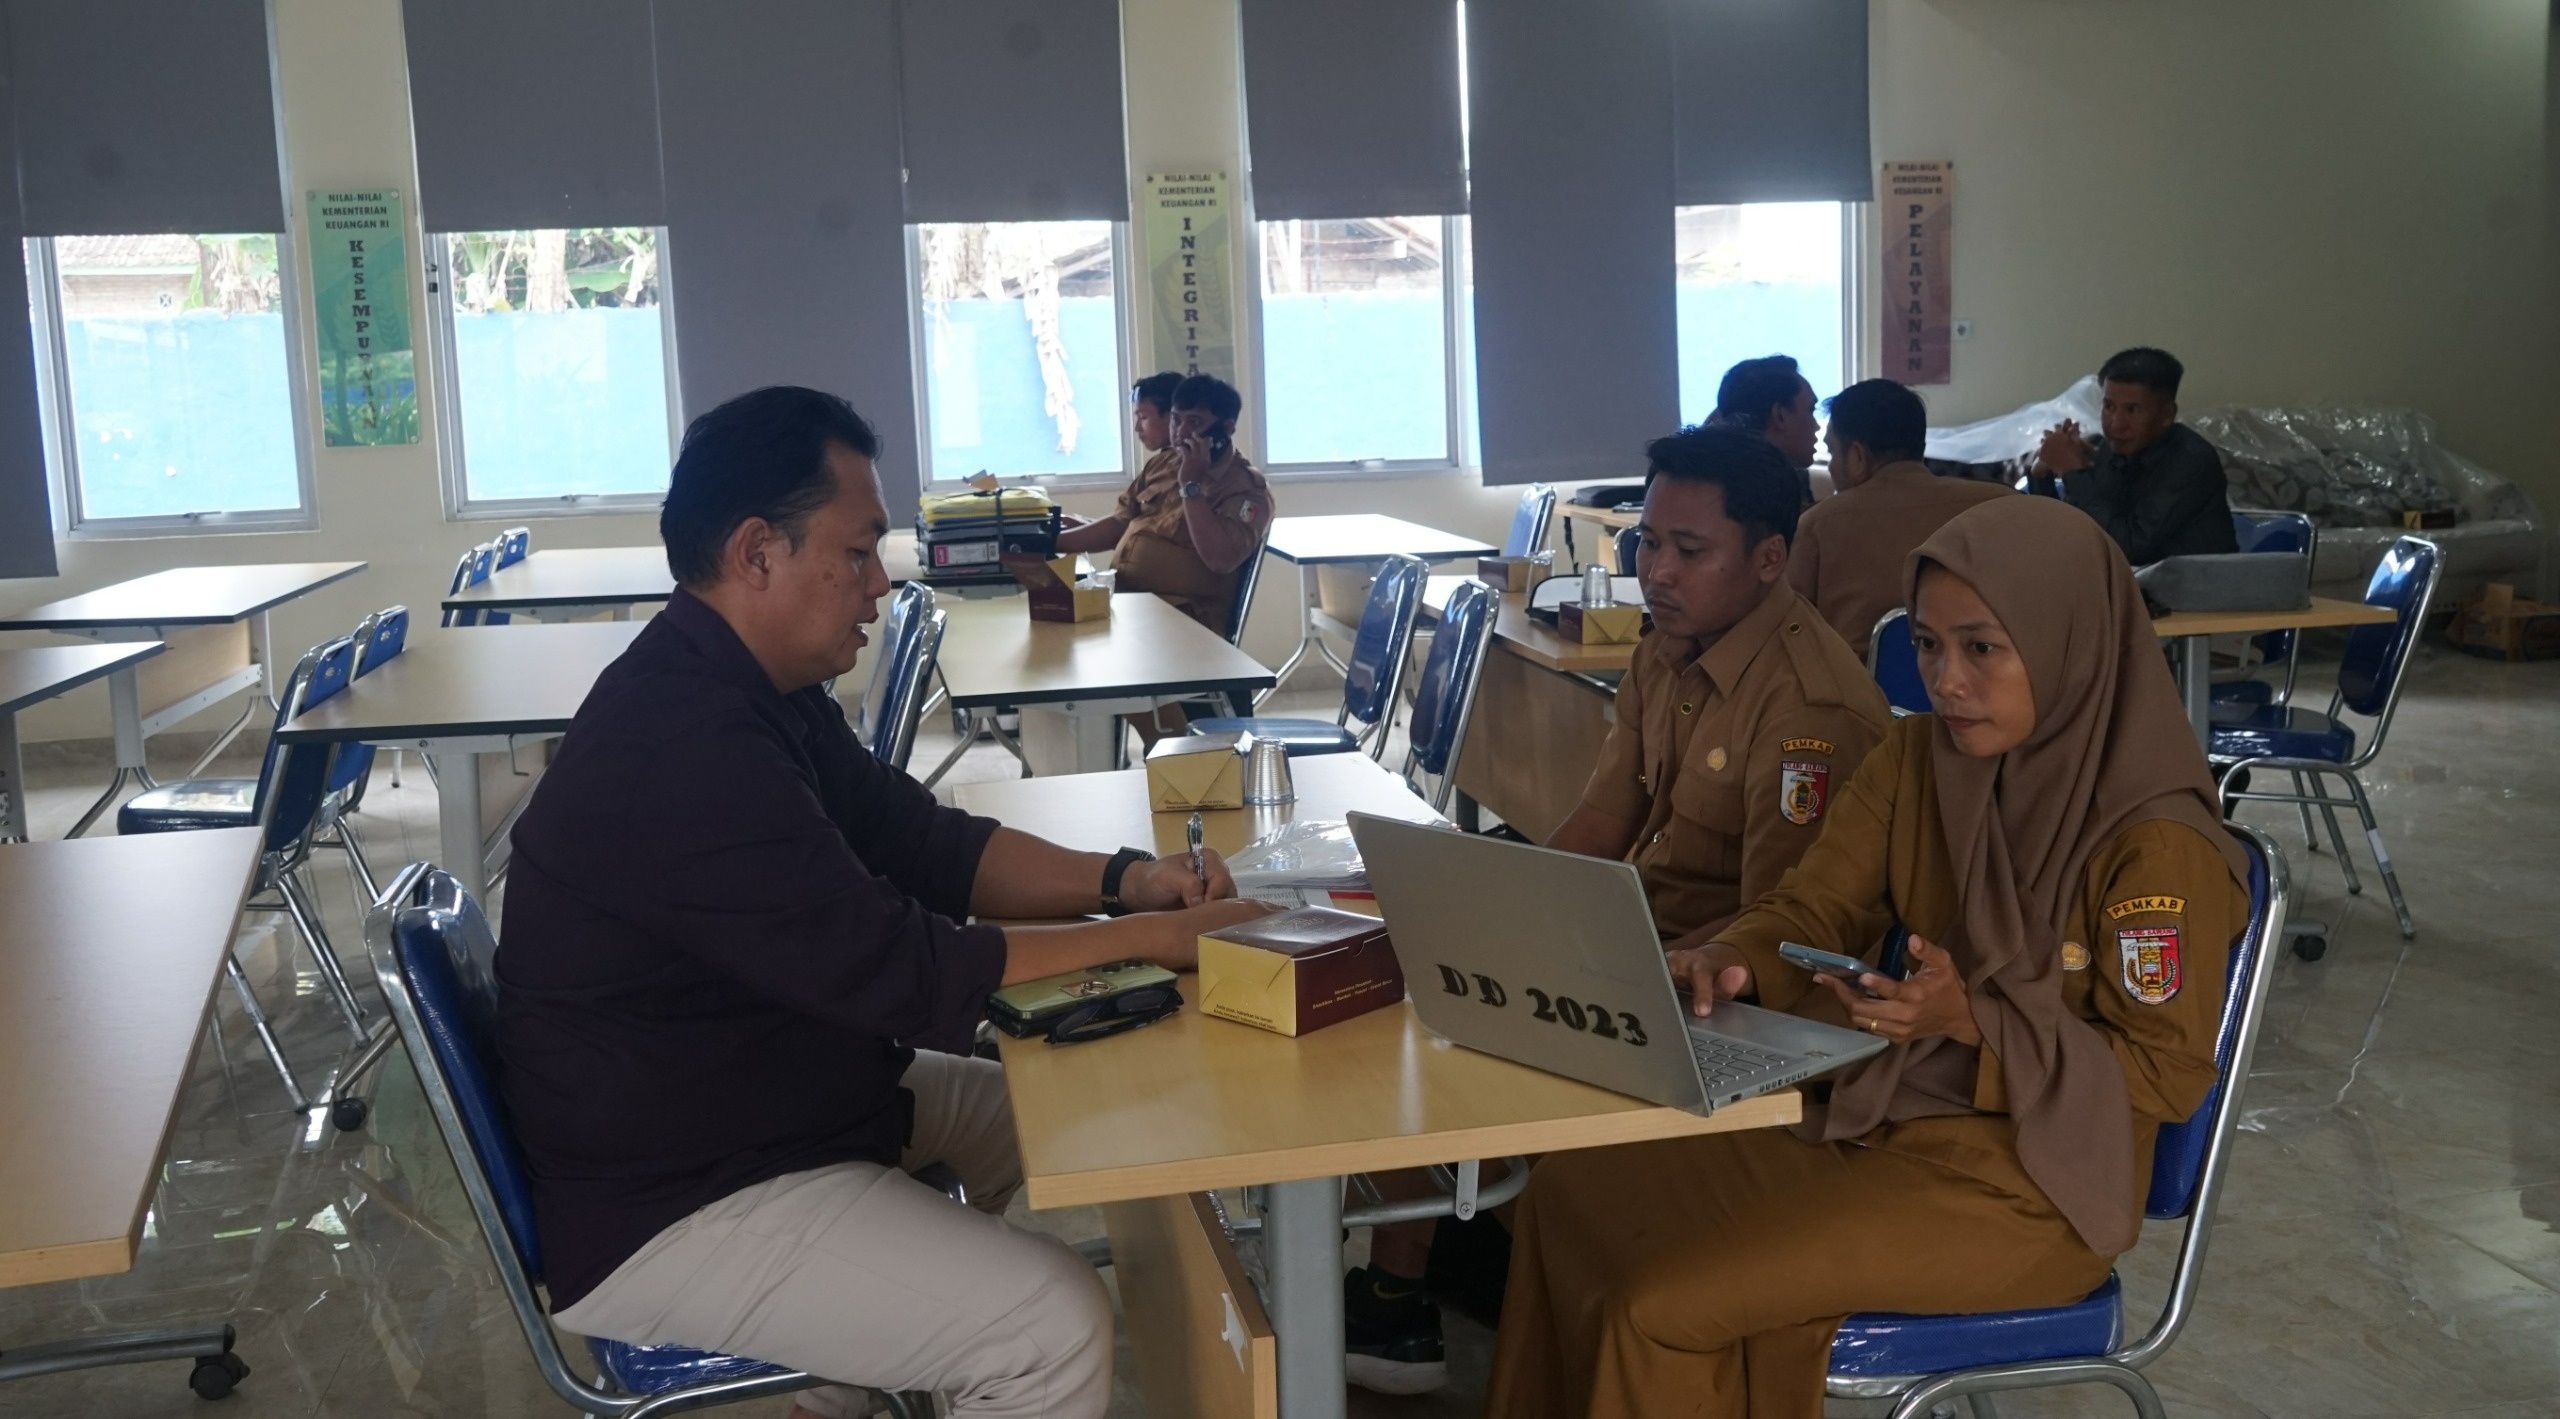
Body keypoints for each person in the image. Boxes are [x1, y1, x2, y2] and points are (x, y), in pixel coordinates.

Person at [498, 386, 1274, 1419]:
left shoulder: (753, 686)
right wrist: (1162, 938)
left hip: (766, 1094)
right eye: (858, 552)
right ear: (757, 552)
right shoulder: (682, 745)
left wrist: (1125, 880)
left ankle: (847, 1382)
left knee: (1065, 1112)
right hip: (674, 1197)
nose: (879, 582)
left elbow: (924, 842)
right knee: (1050, 1327)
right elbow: (909, 971)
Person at [1486, 494, 2251, 1419]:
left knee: (1663, 1300)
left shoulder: (2159, 845)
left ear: (2071, 643)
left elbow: (2166, 1077)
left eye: (1982, 648)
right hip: (1887, 1113)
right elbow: (1814, 903)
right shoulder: (1919, 758)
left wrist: (1977, 1023)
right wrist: (1733, 955)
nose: (1946, 681)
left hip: (2034, 1186)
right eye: (1927, 645)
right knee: (1571, 1191)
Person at [1342, 426, 1891, 1394]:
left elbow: (1784, 929)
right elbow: (1604, 818)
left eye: (1690, 549)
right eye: (1648, 543)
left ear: (1769, 559)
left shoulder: (1812, 711)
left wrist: (1597, 961)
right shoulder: (1669, 648)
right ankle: (1430, 1270)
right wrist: (1497, 905)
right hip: (1635, 947)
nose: (1657, 571)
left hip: (1720, 999)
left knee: (1451, 1043)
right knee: (1413, 980)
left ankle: (1404, 1293)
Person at [1788, 378, 2010, 657]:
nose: (1831, 466)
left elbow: (1792, 632)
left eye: (1832, 452)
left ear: (1857, 457)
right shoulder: (2001, 506)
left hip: (1857, 684)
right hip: (1984, 679)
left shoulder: (1818, 526)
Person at [1054, 372, 1272, 634]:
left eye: (1194, 422)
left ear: (1226, 428)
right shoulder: (1164, 463)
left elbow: (1220, 559)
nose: (1181, 432)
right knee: (1050, 622)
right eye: (1176, 420)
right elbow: (1120, 523)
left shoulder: (1246, 489)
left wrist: (1191, 487)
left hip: (1184, 621)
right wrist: (1049, 542)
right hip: (1127, 602)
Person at [2030, 347, 2237, 563]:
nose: (2116, 425)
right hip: (2131, 580)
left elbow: (2127, 549)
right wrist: (2042, 473)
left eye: (2132, 410)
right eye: (2109, 406)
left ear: (2167, 414)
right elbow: (2066, 534)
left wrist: (2072, 472)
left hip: (2195, 583)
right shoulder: (2105, 450)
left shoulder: (2192, 461)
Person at [1711, 354, 1821, 506]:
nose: (1816, 426)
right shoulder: (1770, 497)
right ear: (1780, 415)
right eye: (1811, 410)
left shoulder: (1710, 484)